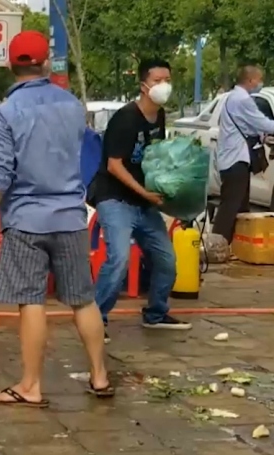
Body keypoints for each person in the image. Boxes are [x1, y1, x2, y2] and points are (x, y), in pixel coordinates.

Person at [0, 30, 111, 406]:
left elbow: (0, 176)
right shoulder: (72, 106)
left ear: (11, 65)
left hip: (26, 221)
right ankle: (100, 377)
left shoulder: (7, 113)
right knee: (83, 300)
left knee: (31, 301)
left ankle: (30, 385)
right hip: (70, 217)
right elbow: (85, 156)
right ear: (44, 63)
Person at [89, 59, 192, 338]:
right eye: (158, 80)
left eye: (167, 80)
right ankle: (96, 319)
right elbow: (114, 165)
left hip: (143, 203)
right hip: (115, 200)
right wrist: (145, 192)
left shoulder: (158, 116)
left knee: (166, 260)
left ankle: (156, 313)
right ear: (144, 85)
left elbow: (155, 157)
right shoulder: (126, 118)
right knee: (119, 259)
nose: (164, 86)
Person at [212, 65, 274, 243]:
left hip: (234, 158)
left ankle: (236, 245)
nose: (260, 83)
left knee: (240, 206)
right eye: (259, 79)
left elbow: (250, 125)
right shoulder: (242, 99)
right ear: (250, 80)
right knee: (231, 206)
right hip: (235, 160)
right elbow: (261, 122)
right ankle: (216, 245)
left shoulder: (233, 97)